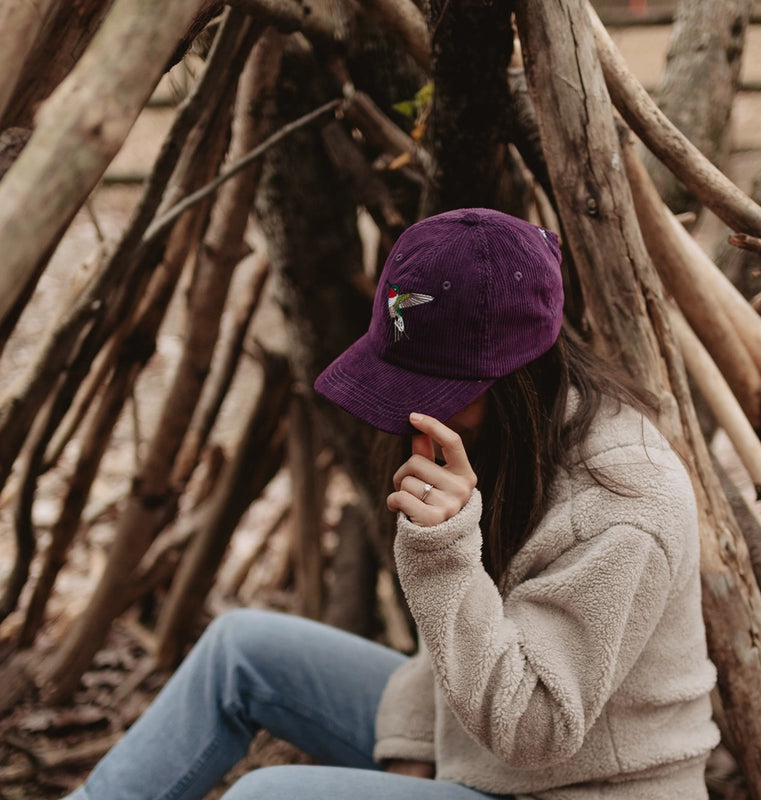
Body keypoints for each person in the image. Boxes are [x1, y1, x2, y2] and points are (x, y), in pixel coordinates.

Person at [63, 208, 719, 800]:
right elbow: (463, 638)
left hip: (576, 787)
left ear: (515, 377)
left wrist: (444, 557)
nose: (408, 407)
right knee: (241, 647)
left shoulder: (622, 504)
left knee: (268, 799)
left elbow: (538, 730)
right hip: (479, 749)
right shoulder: (513, 443)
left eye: (430, 387)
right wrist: (411, 742)